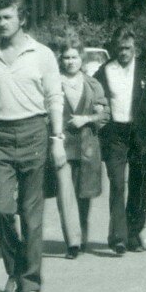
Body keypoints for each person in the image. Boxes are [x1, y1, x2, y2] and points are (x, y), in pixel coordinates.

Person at [0, 0, 64, 292]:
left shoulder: (42, 54)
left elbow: (54, 98)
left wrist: (58, 138)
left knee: (31, 213)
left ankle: (29, 281)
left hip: (34, 132)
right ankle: (14, 269)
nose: (1, 23)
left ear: (22, 20)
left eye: (7, 18)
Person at [98, 29, 146, 255]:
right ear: (114, 48)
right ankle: (118, 236)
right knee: (117, 184)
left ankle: (133, 233)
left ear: (135, 48)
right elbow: (95, 97)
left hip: (141, 134)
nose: (123, 52)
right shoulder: (105, 71)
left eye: (128, 48)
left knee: (139, 184)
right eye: (120, 48)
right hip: (115, 134)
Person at [52, 41, 109, 256]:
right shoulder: (53, 84)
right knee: (65, 195)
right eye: (66, 57)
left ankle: (82, 236)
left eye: (74, 57)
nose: (70, 62)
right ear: (61, 60)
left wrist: (86, 118)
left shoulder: (93, 84)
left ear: (81, 60)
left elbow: (104, 115)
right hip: (63, 146)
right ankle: (72, 243)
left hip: (87, 147)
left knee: (84, 195)